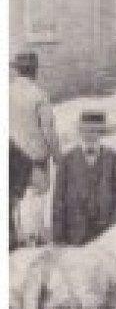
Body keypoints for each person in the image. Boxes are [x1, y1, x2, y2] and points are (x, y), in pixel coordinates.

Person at [52, 112, 116, 246]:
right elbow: (58, 199)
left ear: (101, 132)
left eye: (95, 131)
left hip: (105, 230)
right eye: (86, 130)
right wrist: (58, 236)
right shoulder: (67, 159)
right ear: (79, 131)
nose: (90, 135)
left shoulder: (113, 157)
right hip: (75, 232)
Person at [10, 52, 59, 245]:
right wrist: (58, 157)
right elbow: (49, 131)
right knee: (37, 195)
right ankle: (35, 237)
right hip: (35, 156)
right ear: (35, 71)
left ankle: (17, 235)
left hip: (11, 154)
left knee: (15, 196)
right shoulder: (39, 95)